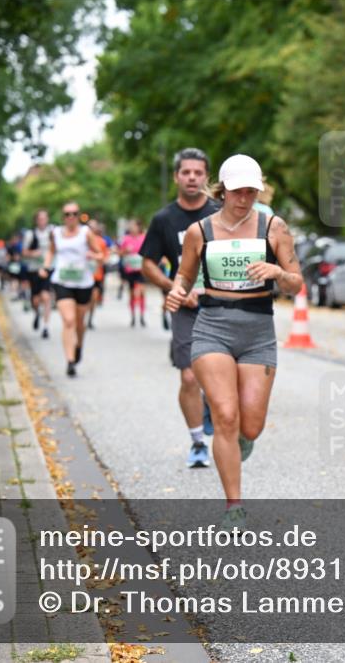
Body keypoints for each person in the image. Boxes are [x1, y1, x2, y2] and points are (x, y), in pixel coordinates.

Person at [165, 153, 303, 529]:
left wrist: (276, 270)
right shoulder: (200, 231)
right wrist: (176, 293)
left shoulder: (274, 227)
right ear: (222, 190)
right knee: (226, 416)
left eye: (251, 191)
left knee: (250, 426)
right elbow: (183, 276)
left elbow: (296, 281)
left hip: (258, 332)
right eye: (238, 190)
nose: (245, 198)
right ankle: (234, 506)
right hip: (212, 327)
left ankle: (240, 436)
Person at [141, 148, 221, 469]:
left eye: (198, 173)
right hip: (185, 307)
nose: (192, 178)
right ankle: (198, 442)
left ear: (206, 177)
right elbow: (147, 263)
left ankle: (213, 409)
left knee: (220, 377)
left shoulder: (221, 212)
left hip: (221, 306)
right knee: (189, 377)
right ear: (176, 176)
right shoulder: (164, 219)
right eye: (186, 172)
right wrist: (172, 287)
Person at [39, 202, 105, 377]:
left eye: (74, 214)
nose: (71, 217)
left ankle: (79, 346)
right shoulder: (56, 234)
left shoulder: (86, 233)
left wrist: (94, 255)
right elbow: (51, 252)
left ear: (79, 215)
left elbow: (100, 255)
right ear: (63, 217)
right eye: (67, 214)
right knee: (68, 320)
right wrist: (45, 266)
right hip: (62, 280)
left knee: (79, 322)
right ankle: (70, 361)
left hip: (83, 282)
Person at [23, 210, 54, 338]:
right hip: (34, 270)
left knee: (46, 297)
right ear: (36, 220)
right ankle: (36, 313)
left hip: (47, 268)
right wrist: (33, 253)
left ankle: (46, 327)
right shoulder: (30, 234)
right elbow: (24, 252)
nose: (42, 221)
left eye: (44, 218)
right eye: (40, 218)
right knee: (35, 300)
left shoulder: (52, 232)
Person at [119, 218, 147, 327]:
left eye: (134, 226)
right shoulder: (126, 239)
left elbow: (149, 252)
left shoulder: (144, 238)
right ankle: (133, 317)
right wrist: (125, 251)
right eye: (130, 226)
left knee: (140, 292)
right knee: (132, 295)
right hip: (130, 270)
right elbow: (120, 253)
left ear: (139, 227)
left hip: (141, 270)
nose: (132, 228)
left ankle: (142, 316)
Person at [86, 218, 112, 330]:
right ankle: (83, 317)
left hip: (97, 275)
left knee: (93, 298)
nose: (91, 229)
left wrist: (98, 258)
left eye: (93, 227)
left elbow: (106, 258)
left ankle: (90, 319)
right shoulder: (81, 240)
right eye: (89, 227)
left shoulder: (101, 241)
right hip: (83, 275)